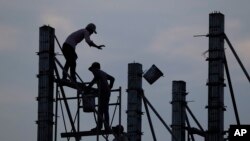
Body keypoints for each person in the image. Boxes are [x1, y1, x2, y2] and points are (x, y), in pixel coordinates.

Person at [87, 62, 115, 131]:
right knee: (104, 110)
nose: (92, 71)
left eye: (92, 69)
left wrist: (88, 87)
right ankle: (105, 126)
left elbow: (96, 79)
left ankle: (101, 127)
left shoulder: (97, 72)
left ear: (94, 68)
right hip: (105, 92)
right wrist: (110, 87)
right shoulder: (102, 73)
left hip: (103, 93)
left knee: (102, 110)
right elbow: (112, 78)